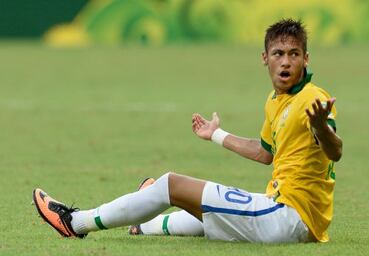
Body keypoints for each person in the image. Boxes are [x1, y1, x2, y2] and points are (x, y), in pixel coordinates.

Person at [33, 18, 342, 243]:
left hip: (289, 219)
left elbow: (334, 150)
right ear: (265, 59)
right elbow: (265, 153)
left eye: (294, 54)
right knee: (205, 212)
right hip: (284, 212)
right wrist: (217, 135)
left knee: (172, 184)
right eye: (278, 53)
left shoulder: (313, 99)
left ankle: (75, 222)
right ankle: (144, 224)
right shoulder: (277, 101)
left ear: (306, 58)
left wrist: (320, 127)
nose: (286, 62)